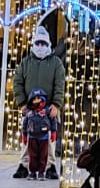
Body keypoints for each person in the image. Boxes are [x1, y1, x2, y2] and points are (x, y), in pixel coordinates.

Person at [11, 25, 66, 178]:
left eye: (44, 44)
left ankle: (50, 166)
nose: (41, 47)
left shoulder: (56, 64)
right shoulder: (25, 62)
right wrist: (22, 103)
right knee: (27, 138)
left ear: (48, 45)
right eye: (38, 43)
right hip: (29, 108)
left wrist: (56, 104)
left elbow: (60, 84)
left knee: (49, 140)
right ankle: (24, 165)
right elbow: (18, 82)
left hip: (49, 109)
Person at [21, 88, 57, 177]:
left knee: (43, 156)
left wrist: (53, 132)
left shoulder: (47, 110)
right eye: (34, 99)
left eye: (38, 98)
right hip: (32, 137)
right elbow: (25, 123)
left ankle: (41, 172)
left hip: (44, 137)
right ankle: (32, 172)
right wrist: (24, 135)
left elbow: (53, 120)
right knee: (32, 156)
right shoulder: (29, 112)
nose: (36, 101)